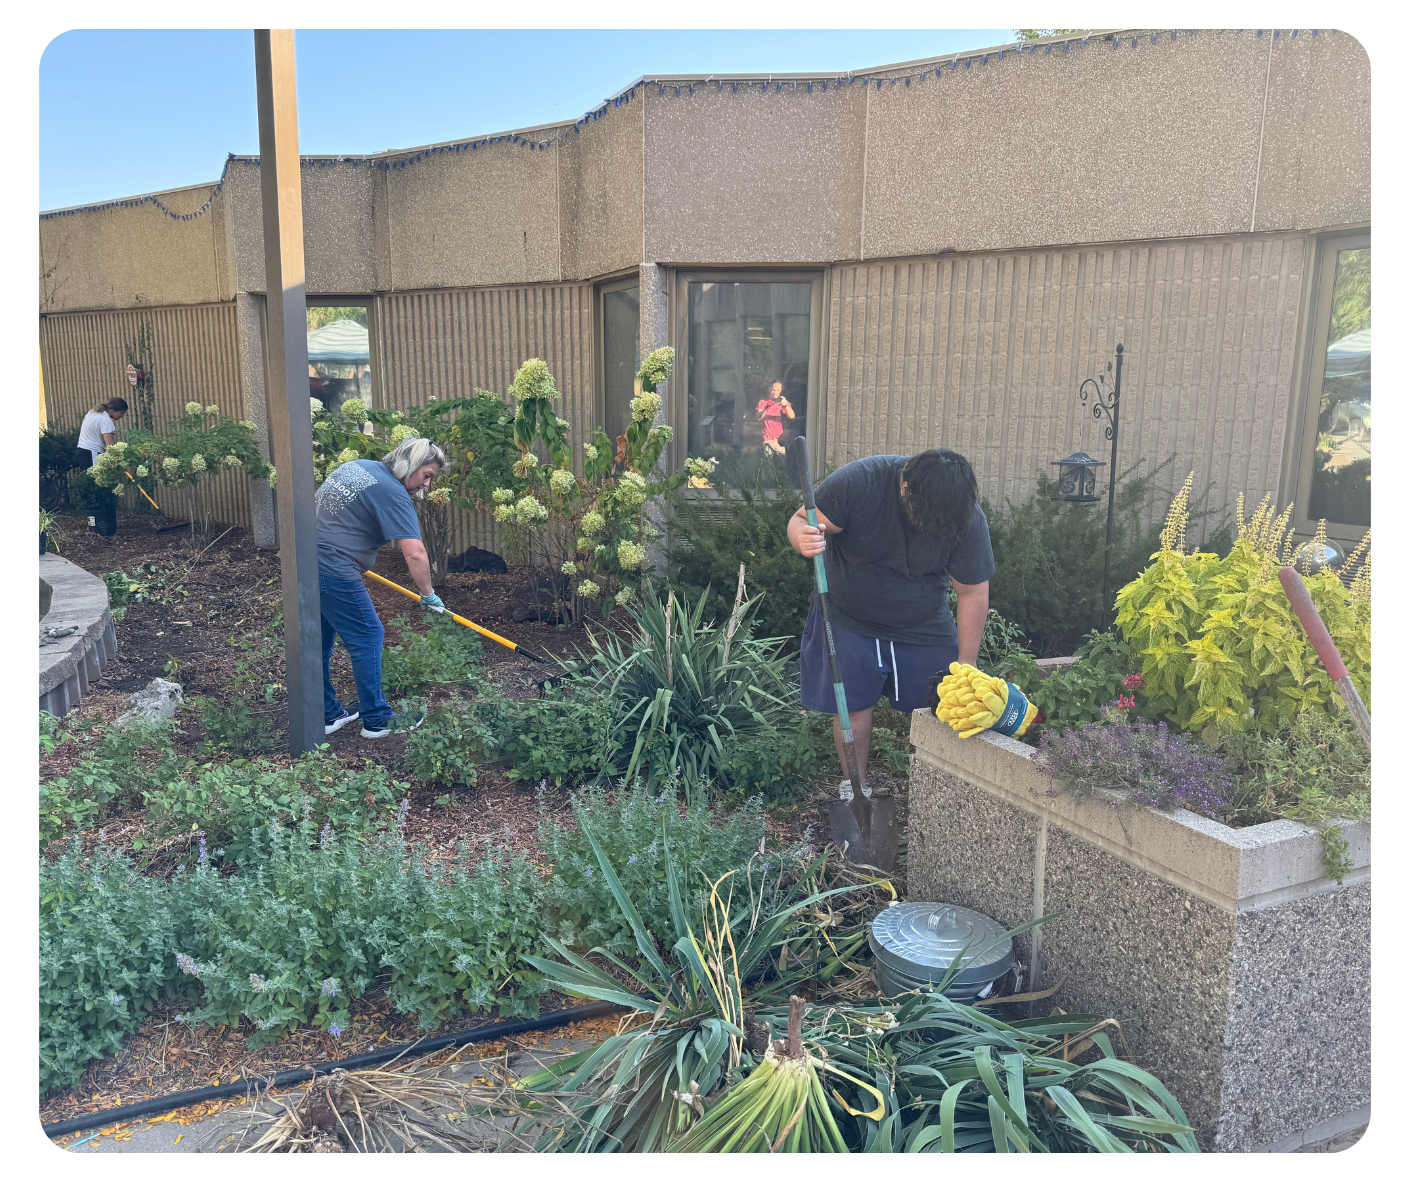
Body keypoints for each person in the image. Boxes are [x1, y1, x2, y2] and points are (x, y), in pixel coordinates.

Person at [788, 448, 994, 797]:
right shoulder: (859, 482)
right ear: (905, 489)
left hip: (923, 622)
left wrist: (967, 663)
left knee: (949, 705)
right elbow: (800, 520)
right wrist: (802, 538)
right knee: (853, 710)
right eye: (926, 518)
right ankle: (856, 789)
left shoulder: (963, 513)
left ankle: (943, 796)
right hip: (849, 616)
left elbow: (972, 593)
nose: (933, 528)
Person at [316, 436, 450, 739]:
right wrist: (428, 595)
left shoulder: (359, 468)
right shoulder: (393, 492)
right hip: (332, 567)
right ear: (409, 465)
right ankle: (376, 720)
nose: (427, 484)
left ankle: (325, 713)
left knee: (320, 640)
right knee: (368, 634)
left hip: (303, 560)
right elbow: (414, 552)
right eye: (426, 475)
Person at [76, 397, 128, 468]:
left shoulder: (92, 412)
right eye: (121, 413)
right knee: (96, 478)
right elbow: (111, 447)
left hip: (81, 450)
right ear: (112, 410)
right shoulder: (106, 421)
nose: (122, 416)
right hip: (92, 453)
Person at [757, 381, 795, 457]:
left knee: (785, 462)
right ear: (769, 389)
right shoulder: (763, 402)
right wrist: (766, 408)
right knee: (769, 466)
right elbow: (758, 417)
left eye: (777, 390)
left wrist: (786, 406)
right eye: (773, 390)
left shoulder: (783, 402)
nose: (775, 392)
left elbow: (792, 416)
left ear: (781, 390)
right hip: (767, 439)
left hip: (780, 439)